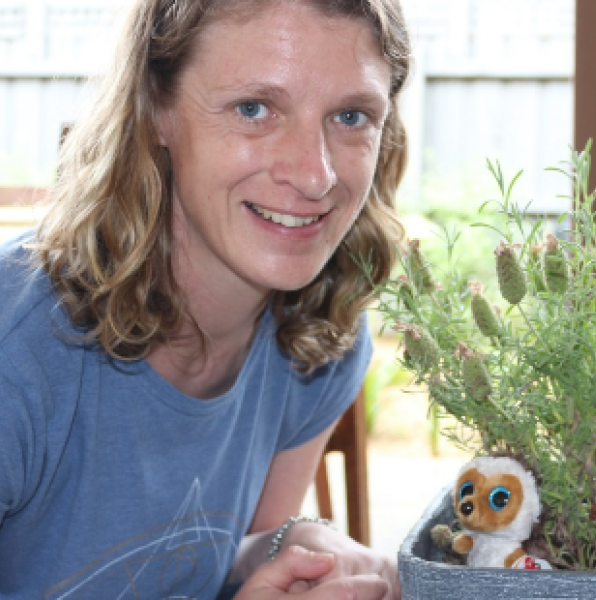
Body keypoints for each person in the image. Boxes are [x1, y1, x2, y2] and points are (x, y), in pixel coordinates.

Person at [0, 0, 409, 598]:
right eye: (254, 109)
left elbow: (210, 561)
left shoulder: (322, 334)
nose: (316, 174)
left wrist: (290, 549)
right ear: (156, 109)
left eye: (350, 116)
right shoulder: (19, 351)